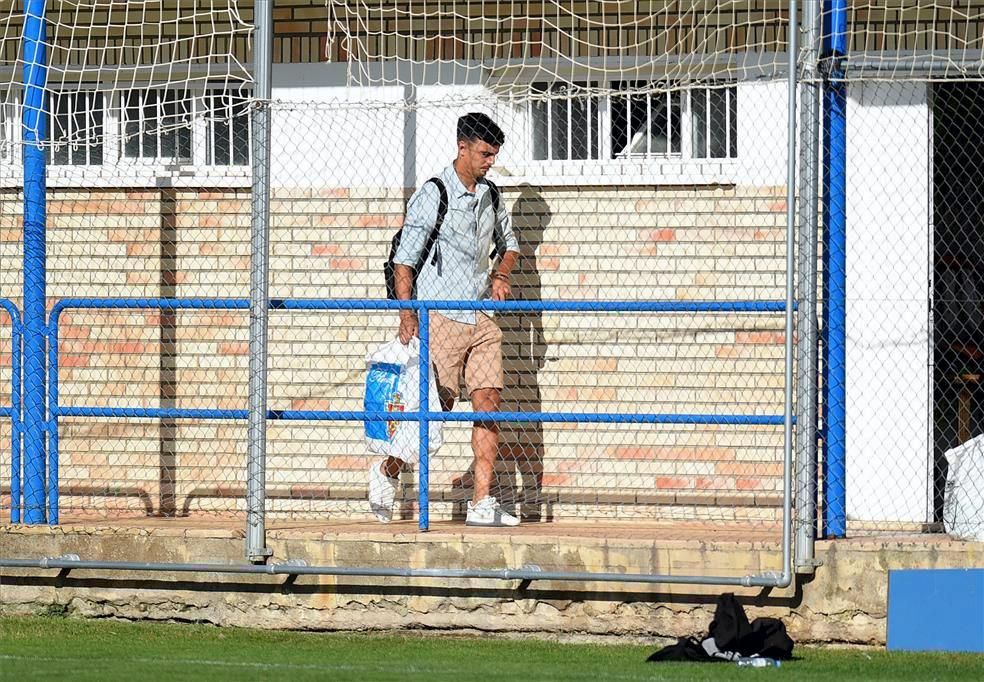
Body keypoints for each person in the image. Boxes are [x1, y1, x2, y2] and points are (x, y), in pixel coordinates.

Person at [368, 112, 521, 527]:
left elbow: (510, 244)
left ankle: (481, 503)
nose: (490, 162)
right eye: (485, 154)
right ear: (463, 147)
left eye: (494, 155)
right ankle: (388, 469)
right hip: (439, 317)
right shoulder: (433, 194)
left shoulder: (491, 196)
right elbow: (404, 260)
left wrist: (501, 273)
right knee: (435, 410)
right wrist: (407, 315)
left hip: (482, 318)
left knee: (489, 403)